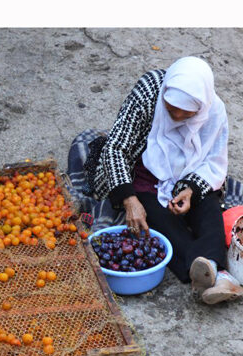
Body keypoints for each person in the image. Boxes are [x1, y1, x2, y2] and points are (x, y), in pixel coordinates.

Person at [85, 56, 243, 304]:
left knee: (209, 209)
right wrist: (129, 200)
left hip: (189, 173)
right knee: (157, 219)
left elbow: (213, 162)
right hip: (143, 173)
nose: (177, 115)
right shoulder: (149, 92)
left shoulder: (214, 110)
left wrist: (190, 190)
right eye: (171, 108)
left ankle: (210, 270)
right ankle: (218, 273)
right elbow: (116, 148)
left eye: (186, 112)